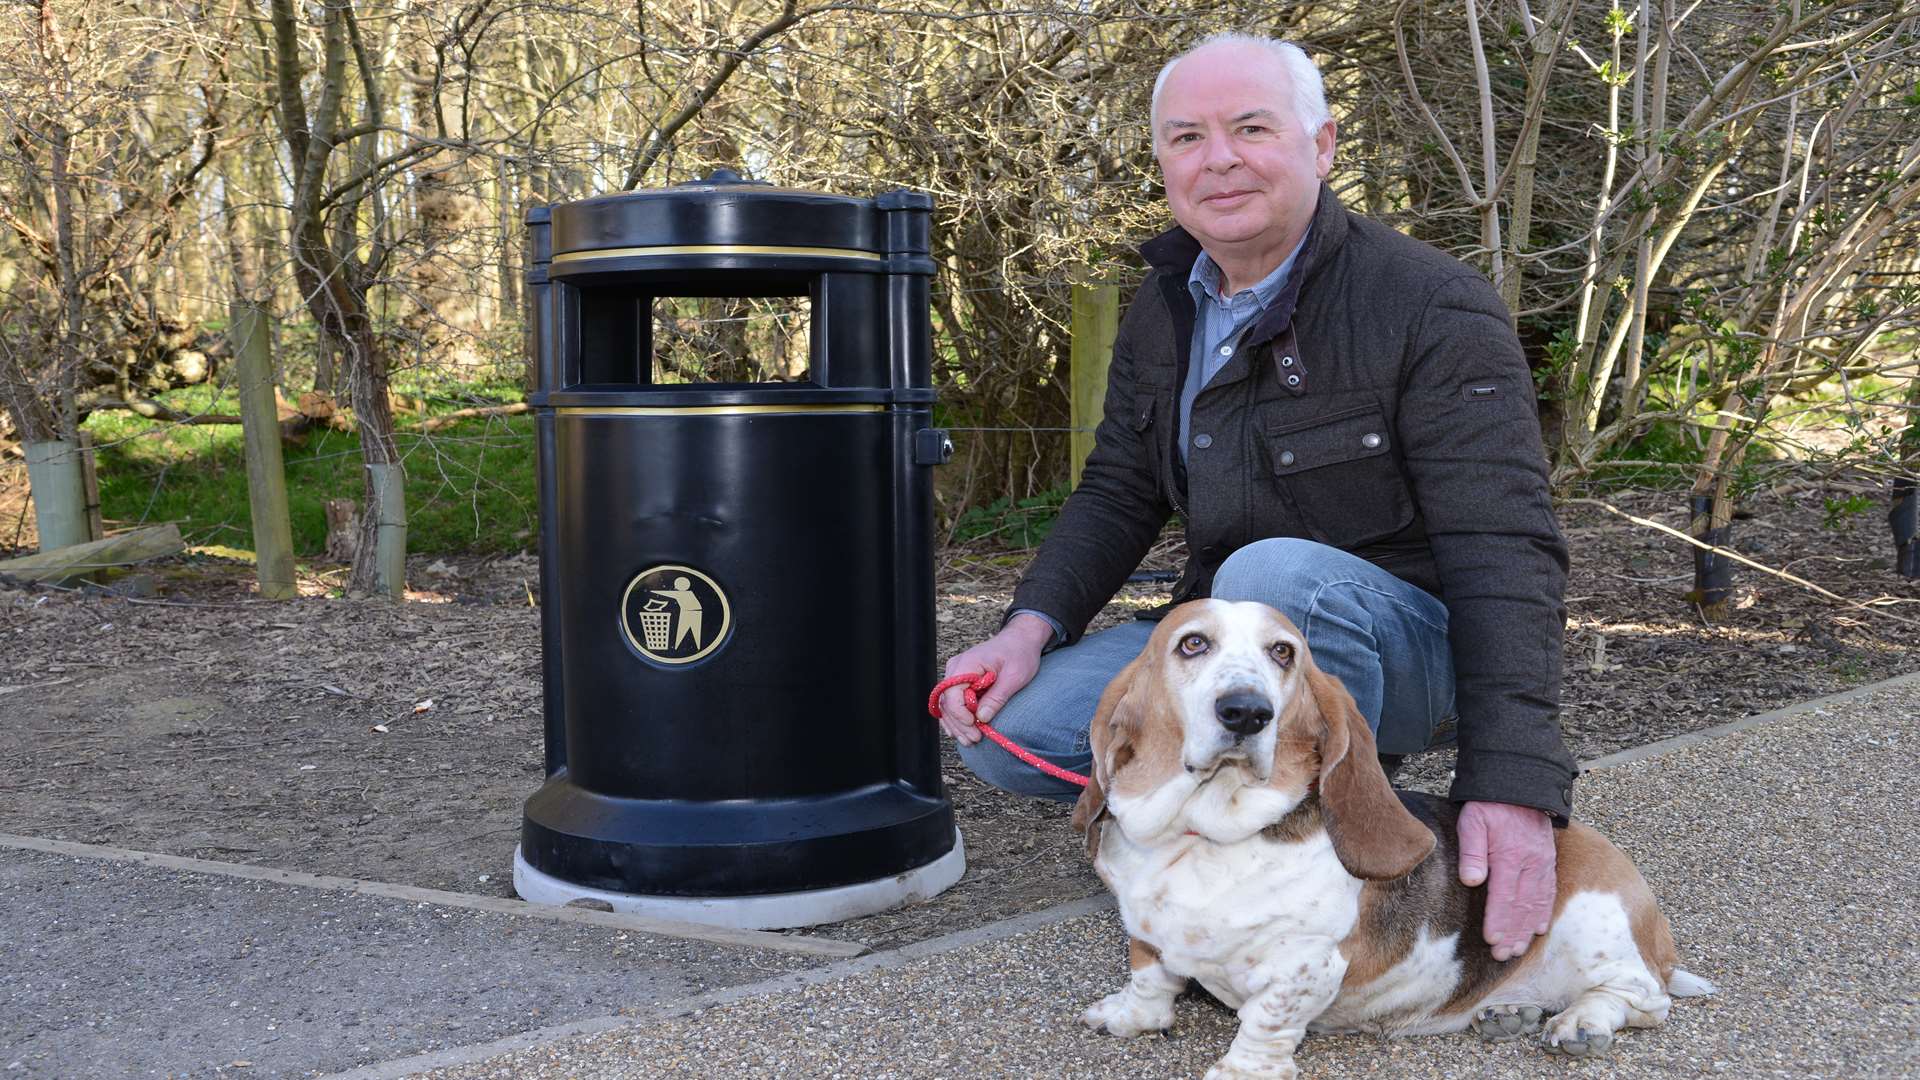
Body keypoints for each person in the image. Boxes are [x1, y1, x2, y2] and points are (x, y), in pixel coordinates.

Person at [935, 33, 1577, 963]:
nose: (1218, 158)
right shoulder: (1166, 306)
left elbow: (1506, 545)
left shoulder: (1432, 304)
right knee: (1009, 730)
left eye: (1250, 128)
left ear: (1320, 147)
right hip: (1250, 646)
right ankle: (1237, 798)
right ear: (1162, 162)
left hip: (1414, 648)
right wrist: (1024, 629)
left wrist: (1512, 780)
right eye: (1186, 137)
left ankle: (1317, 850)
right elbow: (1119, 486)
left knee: (1272, 577)